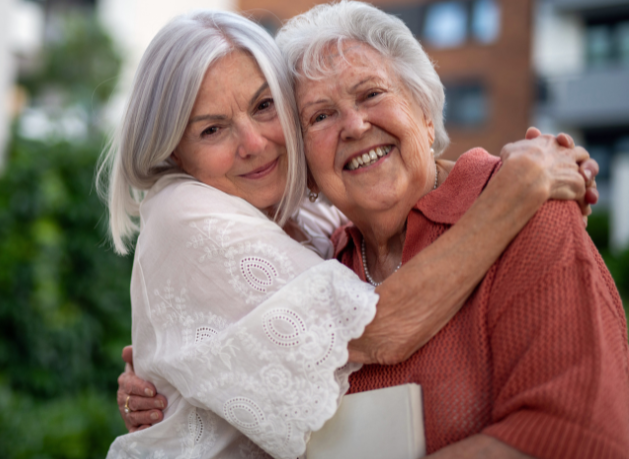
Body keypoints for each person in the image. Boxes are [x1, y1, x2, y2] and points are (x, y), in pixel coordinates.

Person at [102, 7, 599, 459]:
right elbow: (376, 331)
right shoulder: (190, 213)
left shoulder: (324, 227)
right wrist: (515, 191)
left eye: (263, 106)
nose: (254, 143)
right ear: (172, 153)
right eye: (212, 129)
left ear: (426, 111)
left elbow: (572, 430)